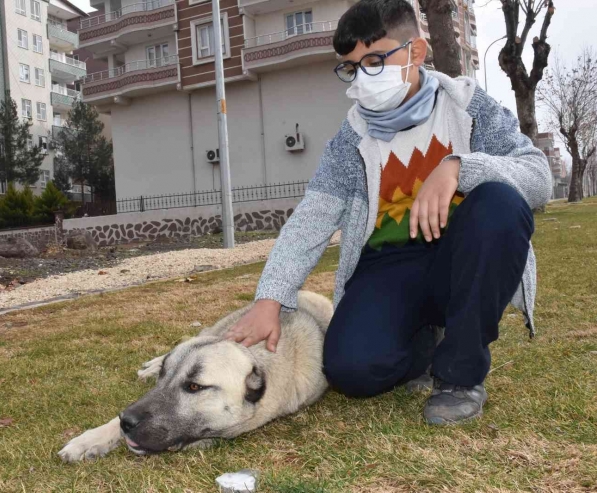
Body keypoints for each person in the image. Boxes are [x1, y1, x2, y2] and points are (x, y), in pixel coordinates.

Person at [225, 0, 552, 425]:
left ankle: (459, 375)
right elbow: (312, 218)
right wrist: (270, 299)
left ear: (415, 52)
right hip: (388, 266)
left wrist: (458, 167)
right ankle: (419, 349)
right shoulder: (352, 138)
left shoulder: (468, 107)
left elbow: (537, 177)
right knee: (351, 371)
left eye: (375, 60)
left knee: (501, 203)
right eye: (351, 66)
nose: (362, 77)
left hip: (461, 256)